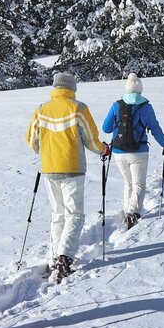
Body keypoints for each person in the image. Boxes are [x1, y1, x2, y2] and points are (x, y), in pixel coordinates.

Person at [26, 72, 107, 282]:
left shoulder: (41, 109)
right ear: (72, 88)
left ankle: (55, 256)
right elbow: (91, 139)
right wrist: (103, 150)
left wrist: (46, 152)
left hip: (49, 168)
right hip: (72, 168)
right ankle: (65, 257)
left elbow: (31, 140)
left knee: (58, 214)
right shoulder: (78, 108)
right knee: (75, 215)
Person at [102, 73, 164, 230]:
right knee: (138, 184)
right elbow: (155, 129)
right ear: (140, 90)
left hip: (119, 151)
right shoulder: (146, 106)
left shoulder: (116, 105)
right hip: (139, 152)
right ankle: (132, 213)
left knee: (128, 182)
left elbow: (105, 128)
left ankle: (128, 210)